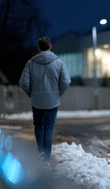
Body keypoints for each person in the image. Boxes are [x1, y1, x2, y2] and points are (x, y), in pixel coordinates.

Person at [19, 36, 71, 165]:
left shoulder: (30, 63)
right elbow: (66, 81)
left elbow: (23, 82)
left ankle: (40, 152)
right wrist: (57, 94)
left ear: (38, 47)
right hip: (52, 102)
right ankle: (46, 159)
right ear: (50, 47)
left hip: (36, 101)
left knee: (38, 126)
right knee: (48, 129)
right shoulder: (59, 62)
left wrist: (32, 93)